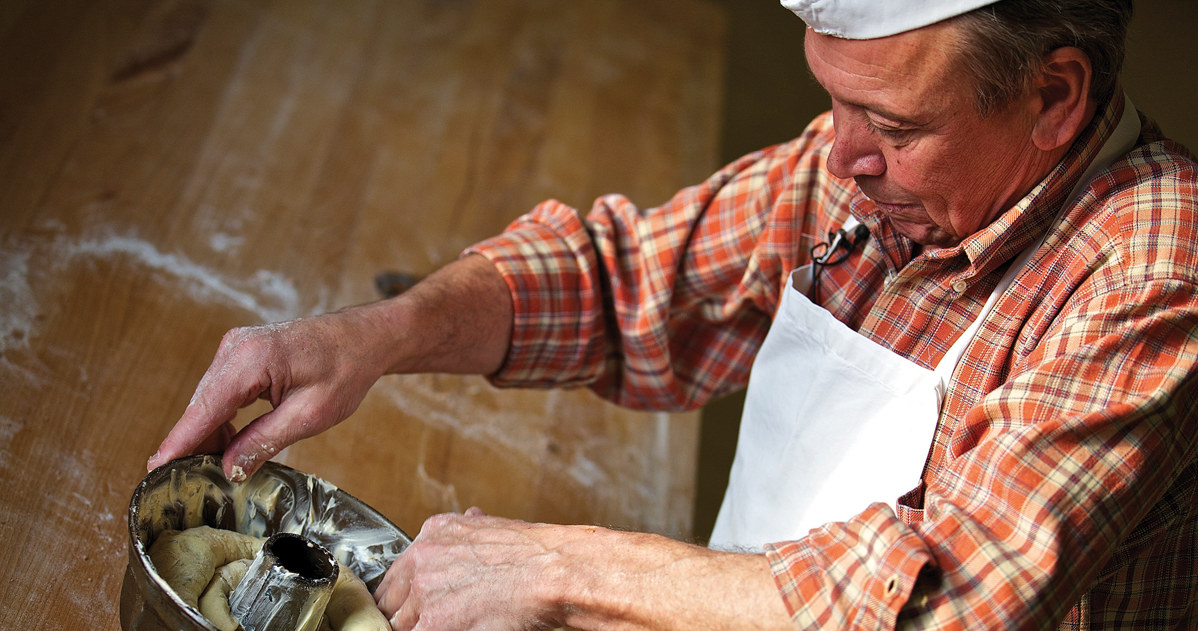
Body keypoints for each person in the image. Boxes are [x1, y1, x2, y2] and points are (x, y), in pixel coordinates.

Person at [148, 0, 1198, 628]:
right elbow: (620, 281)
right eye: (831, 101)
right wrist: (375, 337)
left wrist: (554, 570)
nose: (838, 155)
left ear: (1054, 97)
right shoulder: (863, 176)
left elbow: (943, 608)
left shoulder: (1153, 272)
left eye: (889, 121)